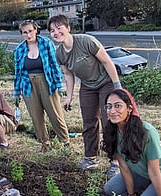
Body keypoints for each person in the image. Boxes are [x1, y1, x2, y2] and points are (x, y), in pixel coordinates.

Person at [47, 15, 122, 177]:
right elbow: (68, 75)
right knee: (89, 122)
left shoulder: (86, 41)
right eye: (52, 30)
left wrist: (117, 87)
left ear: (68, 28)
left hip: (105, 83)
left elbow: (107, 62)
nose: (56, 32)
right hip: (88, 86)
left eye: (59, 28)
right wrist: (68, 97)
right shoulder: (59, 53)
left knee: (108, 121)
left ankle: (115, 161)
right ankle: (90, 157)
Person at [13, 20, 70, 152]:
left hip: (46, 82)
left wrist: (59, 85)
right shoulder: (19, 49)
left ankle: (65, 142)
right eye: (25, 32)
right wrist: (16, 92)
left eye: (30, 31)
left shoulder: (46, 43)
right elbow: (17, 72)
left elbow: (54, 64)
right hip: (28, 85)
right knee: (36, 116)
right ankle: (45, 143)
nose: (28, 35)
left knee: (55, 114)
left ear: (36, 30)